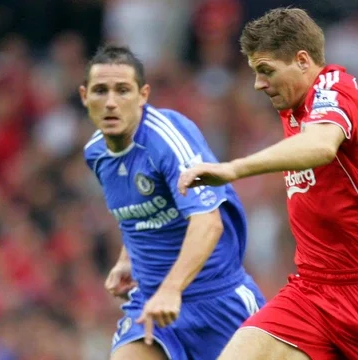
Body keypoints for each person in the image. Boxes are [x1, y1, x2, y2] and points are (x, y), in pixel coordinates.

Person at [178, 8, 358, 360]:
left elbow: (321, 146)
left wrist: (233, 169)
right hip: (312, 291)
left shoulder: (333, 89)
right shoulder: (299, 104)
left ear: (303, 60)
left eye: (266, 71)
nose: (258, 84)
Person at [80, 44, 265, 360]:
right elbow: (137, 212)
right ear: (85, 96)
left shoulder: (167, 139)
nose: (110, 102)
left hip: (217, 302)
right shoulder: (96, 153)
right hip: (153, 305)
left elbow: (208, 223)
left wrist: (172, 289)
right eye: (100, 90)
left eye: (122, 90)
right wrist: (127, 259)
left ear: (143, 95)